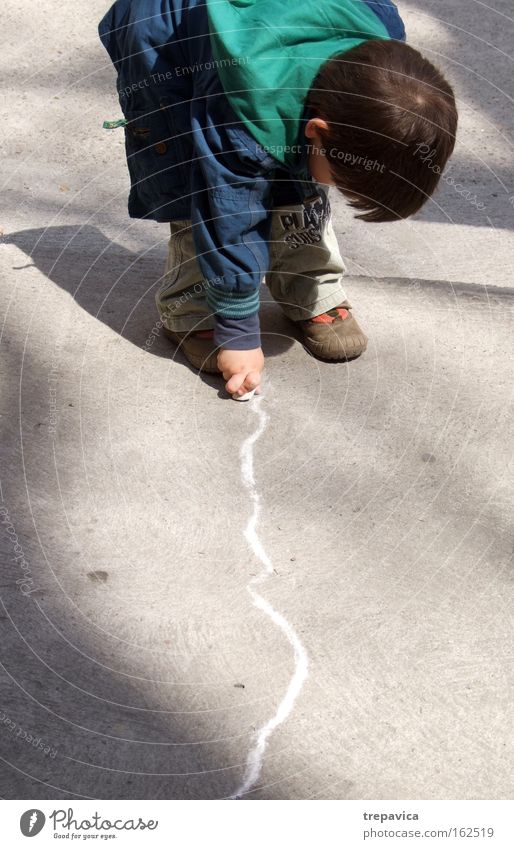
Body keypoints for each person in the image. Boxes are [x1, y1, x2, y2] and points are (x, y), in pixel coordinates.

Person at [99, 0, 457, 397]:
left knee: (298, 175)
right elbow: (227, 211)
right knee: (200, 180)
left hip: (272, 56)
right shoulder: (241, 106)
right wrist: (237, 333)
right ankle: (192, 305)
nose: (337, 188)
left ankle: (306, 279)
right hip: (167, 39)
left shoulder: (382, 39)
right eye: (341, 179)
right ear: (318, 128)